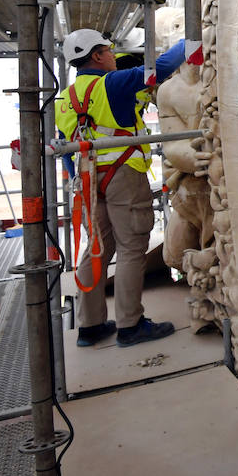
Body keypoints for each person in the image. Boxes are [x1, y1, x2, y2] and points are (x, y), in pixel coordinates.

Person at [55, 29, 187, 347]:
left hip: (87, 181)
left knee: (97, 248)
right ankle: (130, 325)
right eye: (109, 51)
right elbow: (162, 67)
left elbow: (69, 149)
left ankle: (90, 326)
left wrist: (78, 181)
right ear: (97, 56)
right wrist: (192, 39)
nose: (114, 56)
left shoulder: (62, 100)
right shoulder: (112, 83)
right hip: (122, 175)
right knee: (131, 247)